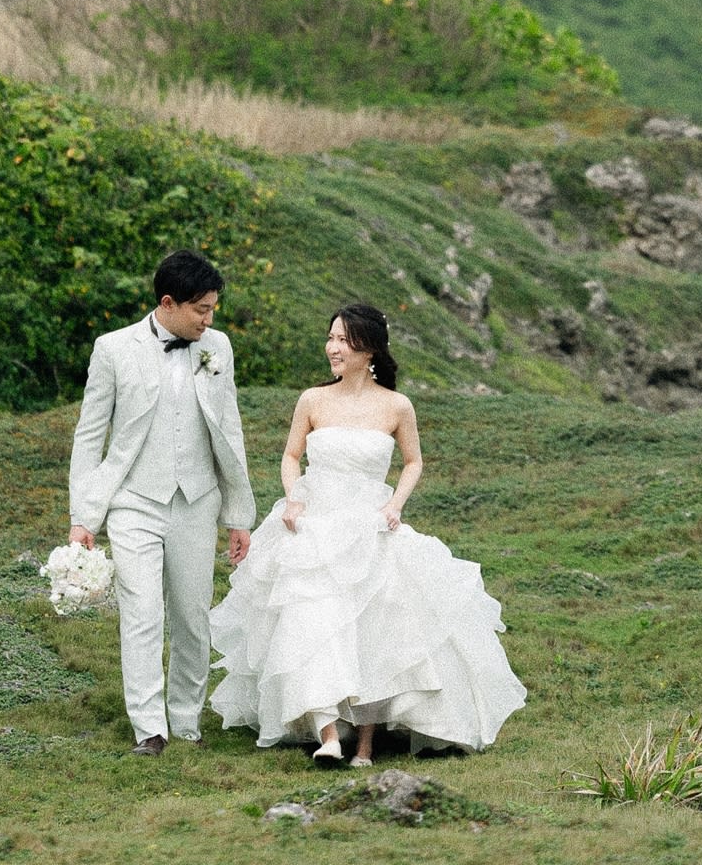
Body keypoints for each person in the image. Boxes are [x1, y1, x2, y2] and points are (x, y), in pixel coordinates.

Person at [209, 302, 526, 764]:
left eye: (344, 340)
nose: (333, 348)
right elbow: (291, 456)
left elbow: (414, 461)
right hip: (317, 524)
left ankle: (366, 742)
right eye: (331, 338)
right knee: (310, 620)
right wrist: (294, 498)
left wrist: (394, 504)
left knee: (375, 626)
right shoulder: (312, 400)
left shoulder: (396, 405)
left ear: (369, 349)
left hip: (369, 523)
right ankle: (328, 732)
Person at [68, 251, 257, 756]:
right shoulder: (112, 349)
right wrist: (83, 516)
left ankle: (187, 721)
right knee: (143, 614)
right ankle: (149, 728)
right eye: (201, 309)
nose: (208, 319)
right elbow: (89, 435)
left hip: (197, 500)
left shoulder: (218, 347)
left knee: (193, 617)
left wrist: (238, 515)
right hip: (134, 502)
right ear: (168, 303)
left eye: (213, 309)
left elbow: (230, 429)